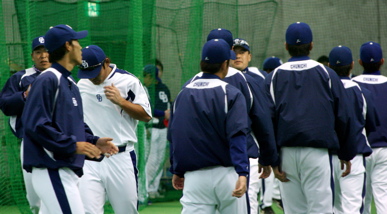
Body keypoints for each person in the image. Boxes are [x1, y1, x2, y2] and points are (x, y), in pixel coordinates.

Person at [21, 25, 118, 214]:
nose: (81, 47)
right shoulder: (48, 79)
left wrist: (93, 140)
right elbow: (36, 124)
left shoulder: (69, 81)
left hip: (65, 169)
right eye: (77, 42)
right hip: (52, 168)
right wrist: (73, 145)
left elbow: (73, 123)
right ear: (67, 46)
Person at [265, 22, 357, 213]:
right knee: (320, 210)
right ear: (312, 45)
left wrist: (272, 159)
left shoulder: (273, 76)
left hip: (286, 154)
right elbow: (343, 116)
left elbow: (266, 121)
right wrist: (346, 153)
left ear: (286, 46)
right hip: (317, 153)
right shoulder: (327, 73)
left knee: (294, 211)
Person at [169, 38, 259, 214]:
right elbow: (238, 134)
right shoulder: (231, 93)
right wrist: (242, 172)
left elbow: (176, 135)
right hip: (227, 176)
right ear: (225, 64)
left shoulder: (183, 93)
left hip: (195, 178)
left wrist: (177, 169)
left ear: (203, 62)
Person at [77, 45, 152, 213]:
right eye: (86, 72)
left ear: (106, 62)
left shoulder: (128, 81)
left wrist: (121, 101)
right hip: (91, 157)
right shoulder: (82, 84)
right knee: (87, 211)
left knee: (127, 210)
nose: (91, 78)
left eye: (94, 72)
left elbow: (146, 115)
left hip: (121, 156)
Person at [0, 36, 51, 214]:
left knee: (61, 192)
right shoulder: (20, 78)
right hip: (31, 142)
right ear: (32, 55)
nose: (43, 56)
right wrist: (24, 95)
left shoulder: (63, 77)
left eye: (47, 51)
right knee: (34, 199)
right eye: (39, 52)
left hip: (60, 141)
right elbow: (5, 105)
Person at [328, 45, 379, 213]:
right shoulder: (362, 91)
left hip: (326, 156)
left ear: (329, 66)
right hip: (354, 155)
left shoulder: (323, 90)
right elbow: (371, 125)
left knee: (331, 207)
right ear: (352, 65)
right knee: (352, 206)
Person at [230, 37, 278, 214]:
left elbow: (266, 117)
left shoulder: (259, 77)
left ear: (249, 56)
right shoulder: (222, 78)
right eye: (234, 52)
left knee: (249, 197)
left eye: (241, 52)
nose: (237, 56)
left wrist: (269, 154)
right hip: (225, 151)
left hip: (252, 148)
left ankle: (266, 204)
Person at [352, 41, 387, 214]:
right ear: (382, 61)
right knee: (385, 199)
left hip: (360, 152)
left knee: (360, 198)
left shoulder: (352, 84)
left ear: (359, 62)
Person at [142, 64, 171, 198]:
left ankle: (153, 189)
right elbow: (147, 109)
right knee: (151, 160)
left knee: (159, 160)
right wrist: (163, 113)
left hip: (163, 127)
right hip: (152, 127)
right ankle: (145, 190)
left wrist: (166, 114)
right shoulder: (145, 89)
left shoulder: (162, 88)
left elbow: (168, 106)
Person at [259, 56, 283, 214]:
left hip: (277, 134)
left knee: (277, 170)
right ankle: (265, 204)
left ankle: (274, 196)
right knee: (266, 171)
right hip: (265, 135)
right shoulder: (265, 84)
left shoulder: (278, 85)